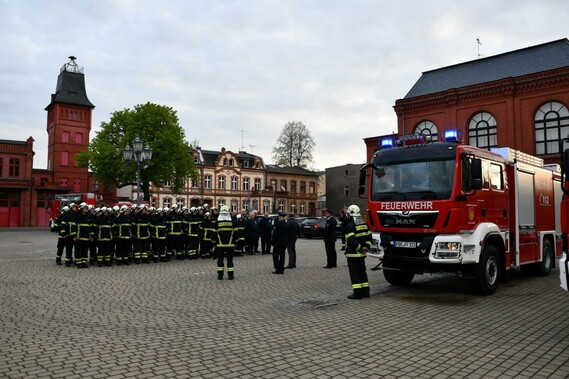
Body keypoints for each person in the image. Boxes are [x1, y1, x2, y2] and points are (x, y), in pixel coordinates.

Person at [343, 204, 373, 300]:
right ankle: (366, 292)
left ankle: (357, 294)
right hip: (362, 255)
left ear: (350, 214)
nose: (346, 216)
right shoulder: (364, 224)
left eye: (348, 214)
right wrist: (366, 247)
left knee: (355, 274)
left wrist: (360, 248)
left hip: (353, 254)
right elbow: (369, 238)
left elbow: (351, 241)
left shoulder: (350, 226)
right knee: (362, 273)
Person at [214, 205, 236, 280]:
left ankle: (220, 276)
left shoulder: (217, 223)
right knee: (230, 260)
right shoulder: (232, 223)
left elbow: (214, 234)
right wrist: (236, 242)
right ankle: (231, 275)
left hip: (220, 245)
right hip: (230, 245)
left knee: (220, 260)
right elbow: (236, 234)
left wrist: (214, 243)